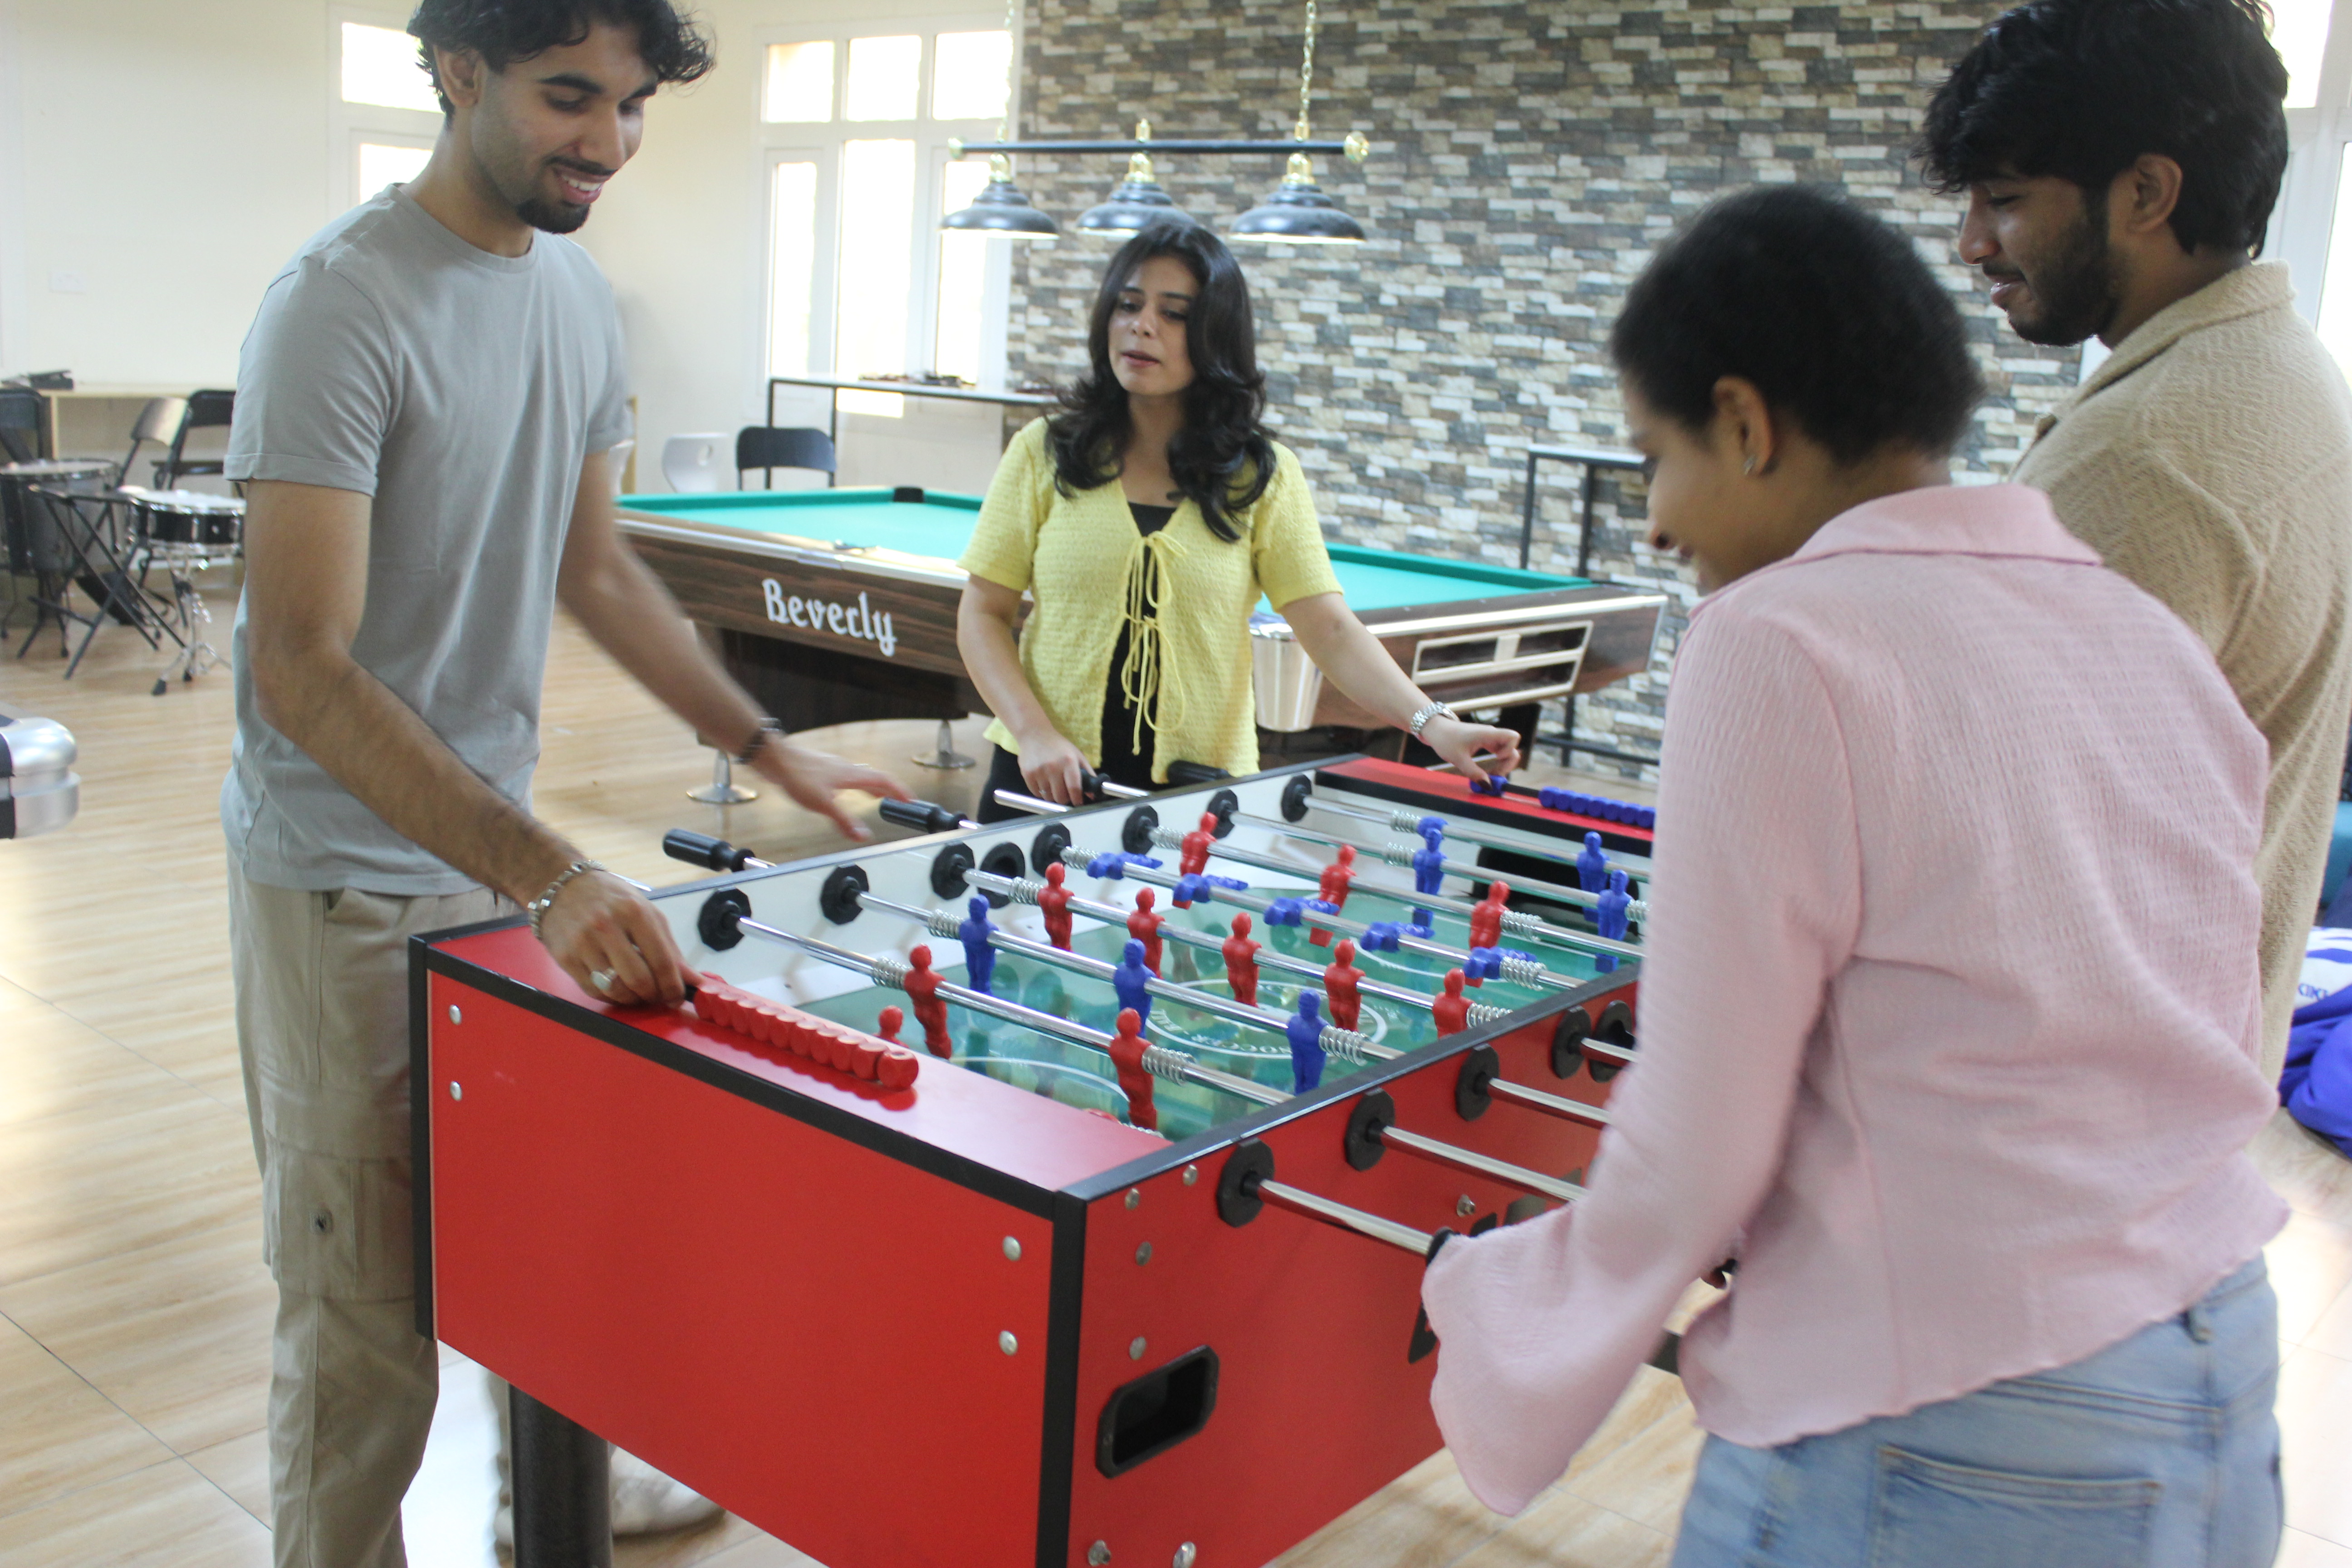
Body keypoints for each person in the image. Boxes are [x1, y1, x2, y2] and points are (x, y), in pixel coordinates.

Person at [1421, 186, 2286, 1567]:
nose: (1656, 526)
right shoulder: (2138, 629)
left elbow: (1700, 1136)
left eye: (1653, 459)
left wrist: (1502, 1303)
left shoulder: (1780, 639)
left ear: (1746, 424)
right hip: (2217, 1361)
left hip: (1951, 1413)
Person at [221, 4, 904, 1563]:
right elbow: (301, 670)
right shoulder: (336, 306)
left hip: (498, 866)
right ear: (459, 72)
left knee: (536, 1230)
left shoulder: (580, 297)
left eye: (633, 104)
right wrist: (550, 869)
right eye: (568, 96)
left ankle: (552, 1497)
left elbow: (595, 565)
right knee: (363, 1329)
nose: (607, 141)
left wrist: (764, 744)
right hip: (342, 883)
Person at [1921, 0, 2352, 1081]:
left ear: (2148, 193)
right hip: (2182, 1094)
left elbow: (1992, 863)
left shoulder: (2141, 457)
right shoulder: (2292, 377)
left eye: (2005, 199)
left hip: (2056, 1117)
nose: (1973, 243)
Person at [956, 220, 1521, 818]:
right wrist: (1034, 734)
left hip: (1196, 796)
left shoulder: (1263, 475)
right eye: (1128, 305)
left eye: (1174, 314)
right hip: (1042, 781)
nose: (1142, 325)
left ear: (1214, 336)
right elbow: (983, 613)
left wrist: (1435, 726)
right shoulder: (1043, 451)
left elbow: (1329, 629)